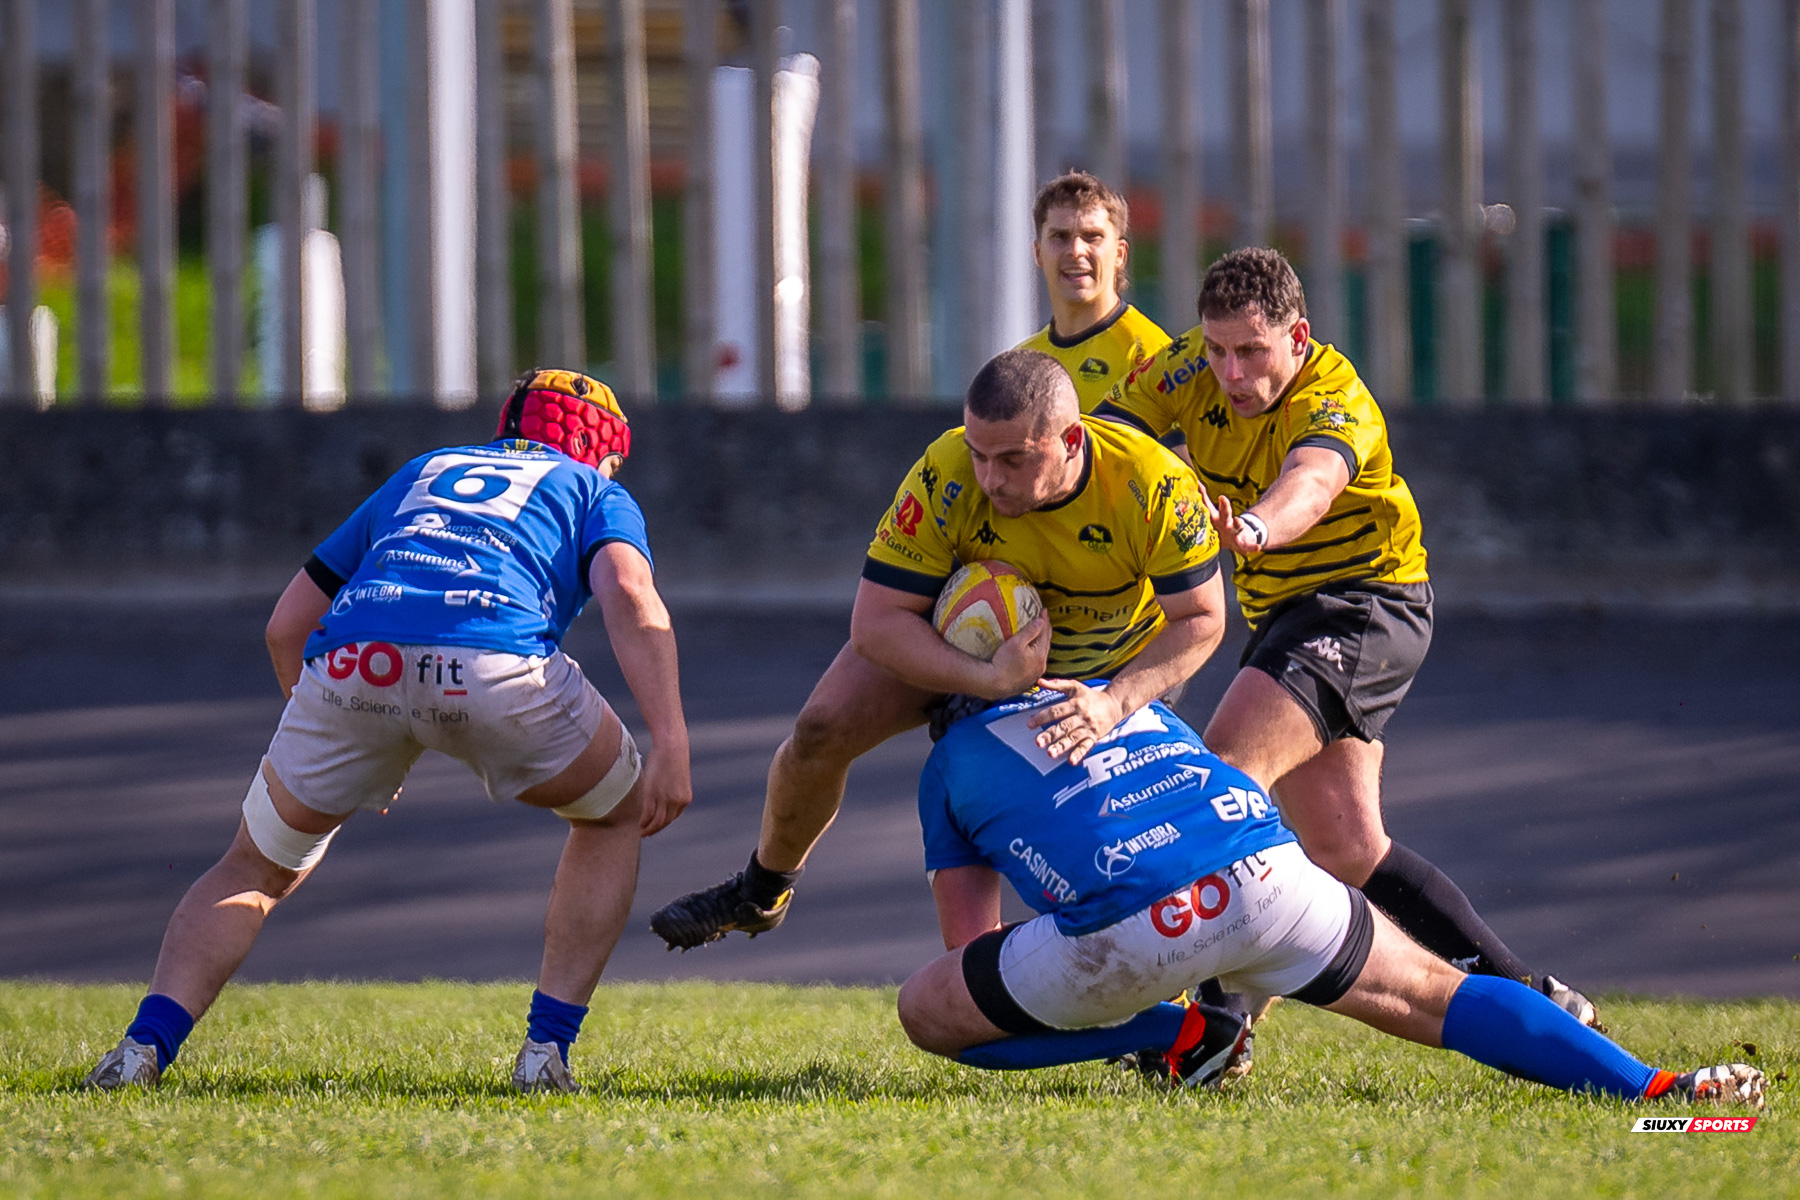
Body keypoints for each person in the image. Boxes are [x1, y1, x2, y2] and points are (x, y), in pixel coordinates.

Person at [82, 369, 692, 1095]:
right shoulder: (595, 490)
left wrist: (342, 738)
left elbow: (287, 625)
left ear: (506, 427)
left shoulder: (424, 470)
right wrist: (672, 739)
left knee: (253, 868)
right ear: (605, 452)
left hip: (351, 663)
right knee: (611, 813)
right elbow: (628, 591)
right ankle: (544, 1055)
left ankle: (140, 1051)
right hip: (494, 663)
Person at [1094, 248, 1597, 1025]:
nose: (1231, 372)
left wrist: (1257, 525)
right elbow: (1111, 443)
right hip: (1282, 618)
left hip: (1365, 602)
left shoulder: (1337, 396)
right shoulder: (1187, 366)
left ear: (1298, 337)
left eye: (1253, 352)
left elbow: (1312, 484)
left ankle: (1218, 1023)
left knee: (1223, 777)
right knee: (1346, 846)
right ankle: (1537, 1000)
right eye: (1219, 350)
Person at [895, 687, 1765, 1109]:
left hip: (1133, 932)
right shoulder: (1127, 700)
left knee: (932, 1015)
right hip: (1270, 873)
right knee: (1439, 995)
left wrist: (1116, 983)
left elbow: (966, 954)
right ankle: (1661, 1097)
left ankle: (1179, 1032)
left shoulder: (950, 761)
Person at [650, 348, 1227, 949]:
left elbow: (1204, 618)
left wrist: (1114, 703)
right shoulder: (946, 468)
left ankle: (1132, 985)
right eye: (980, 455)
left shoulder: (1153, 483)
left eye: (1012, 459)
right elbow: (875, 623)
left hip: (1102, 674)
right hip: (974, 652)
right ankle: (761, 891)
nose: (990, 478)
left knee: (1105, 828)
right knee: (820, 730)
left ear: (1071, 440)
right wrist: (984, 681)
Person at [1015, 172, 1171, 415]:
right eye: (1060, 237)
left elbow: (1181, 453)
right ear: (1038, 253)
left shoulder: (1153, 357)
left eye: (1092, 237)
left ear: (1120, 254)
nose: (1076, 251)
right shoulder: (1023, 364)